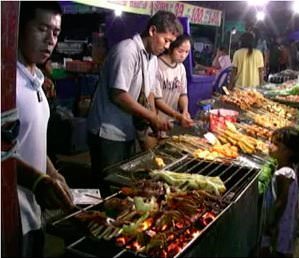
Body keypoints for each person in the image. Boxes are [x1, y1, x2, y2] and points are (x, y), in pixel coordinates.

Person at [87, 11, 182, 193]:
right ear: (153, 30)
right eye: (166, 40)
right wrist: (152, 117)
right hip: (108, 132)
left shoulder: (152, 58)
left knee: (122, 184)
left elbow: (150, 94)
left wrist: (154, 122)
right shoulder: (127, 51)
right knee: (108, 187)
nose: (168, 46)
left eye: (171, 42)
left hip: (126, 131)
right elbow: (119, 95)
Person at [16, 2, 74, 257]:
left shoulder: (37, 79)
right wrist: (38, 181)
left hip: (35, 212)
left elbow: (29, 141)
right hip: (9, 215)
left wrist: (51, 172)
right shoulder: (6, 81)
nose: (50, 40)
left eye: (56, 32)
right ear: (19, 27)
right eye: (42, 29)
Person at [260, 127, 299, 258]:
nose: (269, 146)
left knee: (277, 251)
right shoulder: (290, 168)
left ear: (288, 151)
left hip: (281, 224)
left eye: (275, 144)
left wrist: (271, 225)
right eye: (270, 141)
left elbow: (281, 202)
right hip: (285, 223)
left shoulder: (284, 174)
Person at [144, 34, 194, 149]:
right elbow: (157, 100)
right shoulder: (156, 64)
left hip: (169, 124)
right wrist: (178, 116)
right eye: (180, 51)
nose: (183, 55)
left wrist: (185, 111)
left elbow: (183, 94)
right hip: (154, 122)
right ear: (171, 46)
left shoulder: (181, 68)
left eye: (187, 52)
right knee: (151, 157)